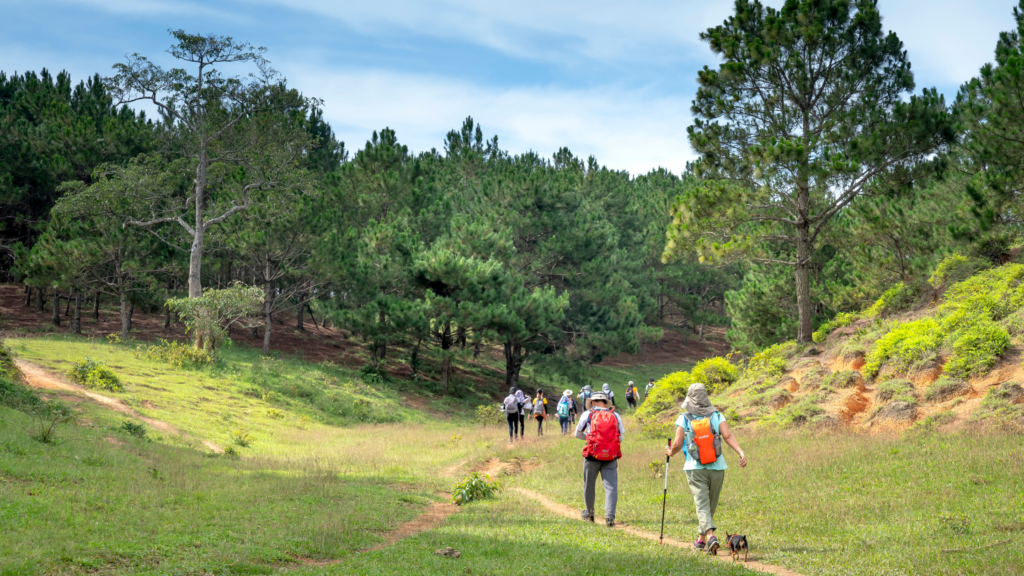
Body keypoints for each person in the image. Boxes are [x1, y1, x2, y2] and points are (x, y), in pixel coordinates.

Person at [665, 383, 747, 556]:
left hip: (695, 468)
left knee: (702, 504)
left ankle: (710, 536)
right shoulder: (717, 415)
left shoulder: (684, 417)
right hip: (717, 468)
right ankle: (701, 540)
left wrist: (670, 452)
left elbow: (678, 443)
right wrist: (740, 452)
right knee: (710, 505)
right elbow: (728, 436)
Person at [575, 392, 624, 527]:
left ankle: (590, 514)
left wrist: (591, 438)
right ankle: (610, 517)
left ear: (592, 402)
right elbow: (620, 438)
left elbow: (577, 434)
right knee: (611, 486)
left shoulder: (588, 414)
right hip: (611, 456)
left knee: (589, 484)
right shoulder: (615, 415)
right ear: (605, 402)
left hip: (592, 455)